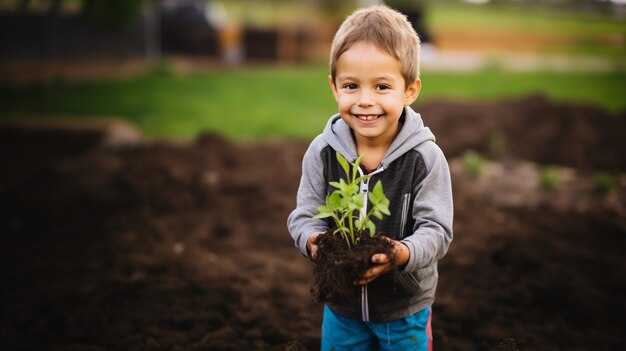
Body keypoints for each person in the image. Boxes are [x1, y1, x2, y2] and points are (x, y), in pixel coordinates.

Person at [287, 5, 453, 351]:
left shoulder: (424, 159)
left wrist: (401, 253)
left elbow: (437, 231)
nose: (365, 101)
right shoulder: (323, 153)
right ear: (334, 88)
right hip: (342, 307)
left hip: (403, 310)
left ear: (410, 90)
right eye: (351, 86)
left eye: (381, 86)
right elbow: (304, 214)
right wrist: (313, 242)